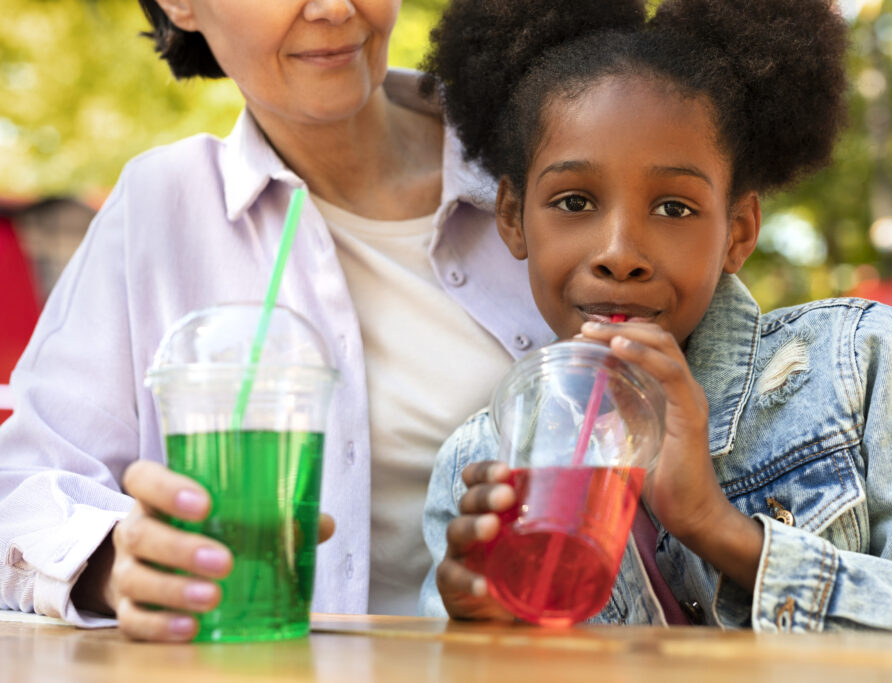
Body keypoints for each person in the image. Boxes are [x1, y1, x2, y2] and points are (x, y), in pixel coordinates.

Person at [417, 0, 892, 636]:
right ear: (512, 218)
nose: (620, 253)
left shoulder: (861, 365)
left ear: (737, 232)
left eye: (674, 208)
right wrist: (482, 626)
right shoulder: (481, 460)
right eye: (574, 201)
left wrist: (721, 529)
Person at [0, 0, 552, 641]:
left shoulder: (547, 152)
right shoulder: (162, 205)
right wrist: (118, 563)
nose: (334, 8)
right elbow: (18, 496)